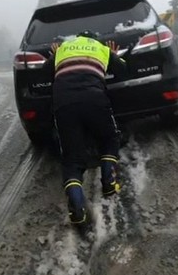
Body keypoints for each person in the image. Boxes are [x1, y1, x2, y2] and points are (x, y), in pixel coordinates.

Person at [44, 30, 128, 227]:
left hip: (64, 103)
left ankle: (77, 209)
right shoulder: (101, 48)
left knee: (72, 158)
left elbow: (45, 72)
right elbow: (124, 70)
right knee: (109, 138)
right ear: (94, 40)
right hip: (94, 99)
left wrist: (54, 56)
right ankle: (109, 184)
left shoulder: (63, 49)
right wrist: (112, 55)